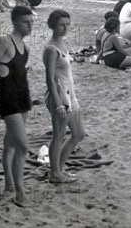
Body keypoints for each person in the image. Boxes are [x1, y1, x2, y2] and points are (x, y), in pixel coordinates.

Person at [0, 6, 34, 206]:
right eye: (25, 22)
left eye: (32, 22)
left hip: (23, 97)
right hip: (8, 100)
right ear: (15, 23)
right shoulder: (3, 42)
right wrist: (2, 79)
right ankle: (20, 194)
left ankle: (9, 186)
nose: (30, 26)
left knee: (10, 144)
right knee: (23, 146)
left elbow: (19, 74)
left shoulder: (25, 48)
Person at [43, 10, 84, 184]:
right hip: (59, 95)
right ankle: (55, 174)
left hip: (70, 93)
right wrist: (59, 104)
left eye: (67, 24)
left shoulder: (62, 44)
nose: (65, 28)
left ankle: (59, 169)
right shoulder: (51, 49)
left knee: (78, 134)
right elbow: (50, 79)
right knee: (58, 135)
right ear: (53, 25)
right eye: (61, 24)